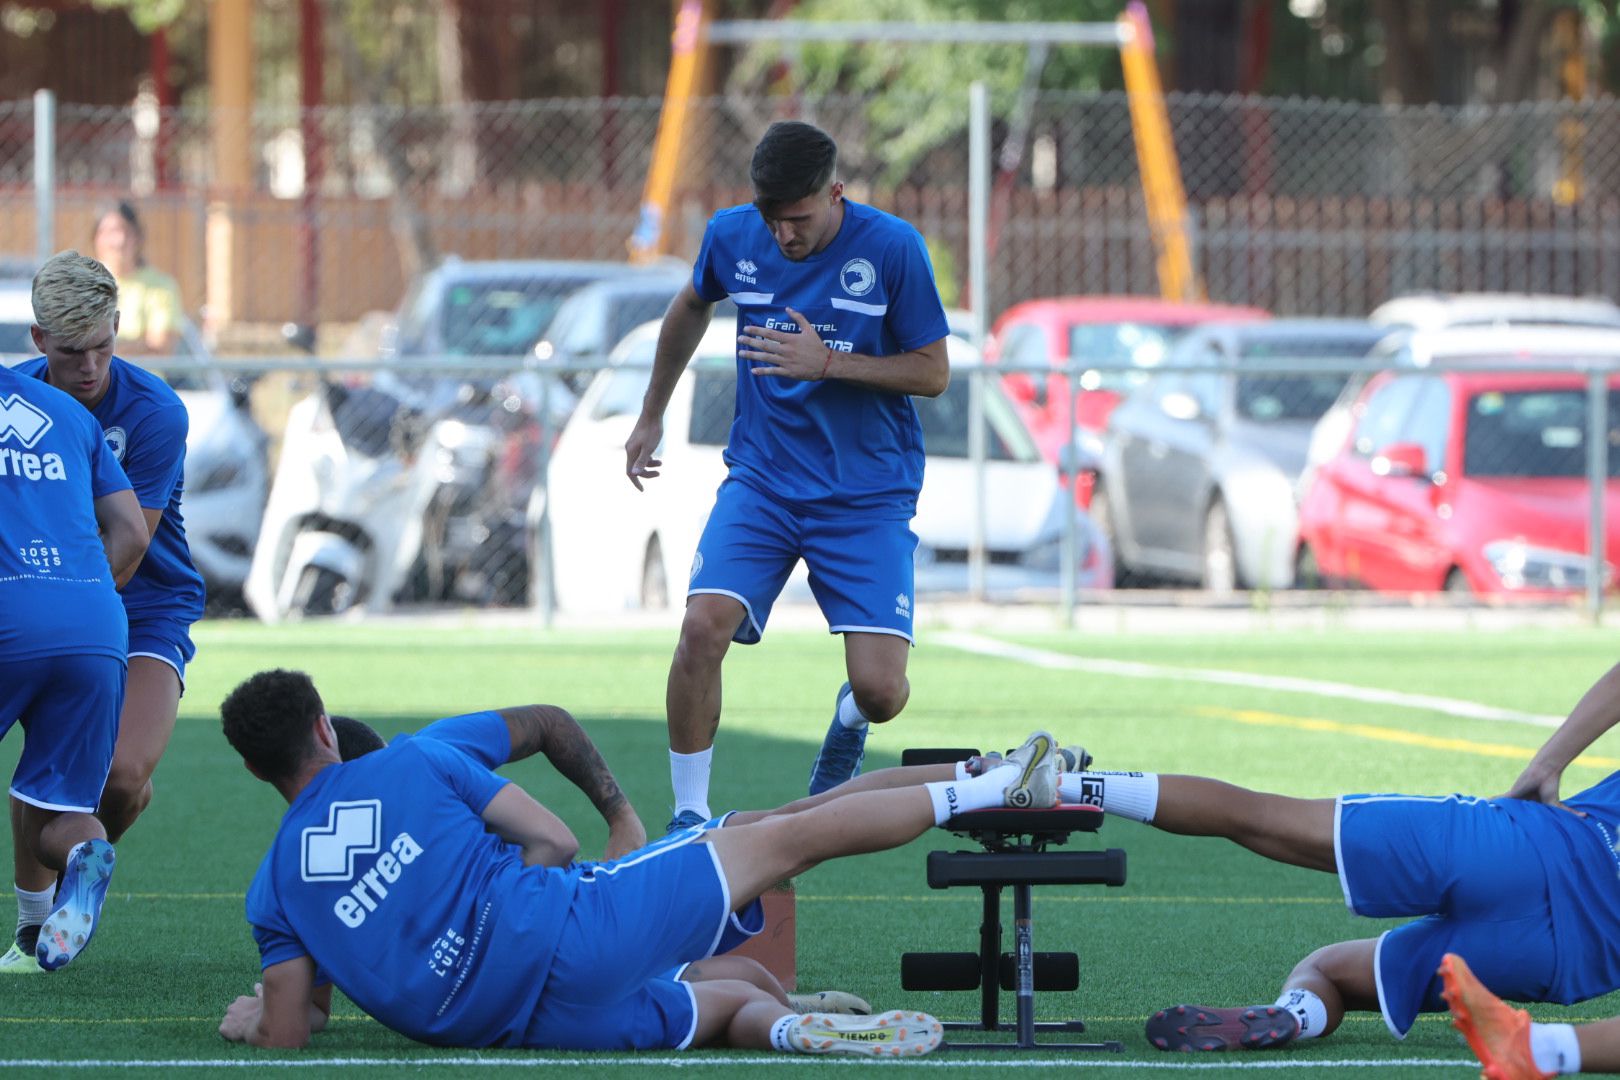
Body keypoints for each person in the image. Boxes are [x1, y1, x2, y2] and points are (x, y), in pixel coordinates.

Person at [216, 668, 1062, 1054]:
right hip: (571, 926)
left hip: (517, 1027)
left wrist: (256, 1018)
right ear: (326, 726)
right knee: (787, 832)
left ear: (258, 774)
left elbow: (292, 1030)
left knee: (728, 1000)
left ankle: (795, 1023)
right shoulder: (415, 758)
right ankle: (990, 790)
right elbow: (554, 841)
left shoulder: (274, 890)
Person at [981, 656, 1620, 1056]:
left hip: (1533, 847)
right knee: (1329, 970)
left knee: (1258, 814)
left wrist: (1547, 763)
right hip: (1564, 956)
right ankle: (1297, 1016)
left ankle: (1063, 786)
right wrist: (1552, 1048)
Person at [624, 120, 952, 829]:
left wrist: (828, 363)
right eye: (772, 219)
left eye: (798, 220)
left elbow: (933, 372)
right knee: (701, 627)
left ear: (835, 193)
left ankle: (848, 718)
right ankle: (687, 816)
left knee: (881, 692)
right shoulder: (733, 234)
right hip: (764, 481)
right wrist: (651, 413)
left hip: (865, 496)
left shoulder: (894, 249)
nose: (782, 236)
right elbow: (690, 304)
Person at [326, 709, 872, 1018]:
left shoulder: (426, 753)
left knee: (782, 829)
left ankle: (952, 787)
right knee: (779, 859)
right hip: (554, 936)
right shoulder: (330, 852)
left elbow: (548, 724)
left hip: (562, 923)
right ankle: (792, 1012)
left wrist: (621, 817)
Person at [1, 250, 207, 974]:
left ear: (118, 328)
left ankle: (76, 886)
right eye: (70, 352)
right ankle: (35, 930)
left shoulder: (154, 413)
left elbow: (128, 549)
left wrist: (55, 624)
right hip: (48, 604)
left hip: (142, 603)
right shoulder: (16, 400)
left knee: (121, 777)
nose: (89, 368)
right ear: (36, 341)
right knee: (47, 761)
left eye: (102, 348)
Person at [0, 280, 150, 972]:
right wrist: (81, 602)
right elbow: (128, 530)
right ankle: (44, 917)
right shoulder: (65, 412)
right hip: (95, 620)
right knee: (56, 805)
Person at [91, 199, 184, 356]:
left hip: (138, 378)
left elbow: (161, 346)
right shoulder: (80, 284)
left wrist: (98, 348)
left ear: (138, 237)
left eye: (126, 231)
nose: (119, 241)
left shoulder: (160, 286)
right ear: (96, 238)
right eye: (110, 232)